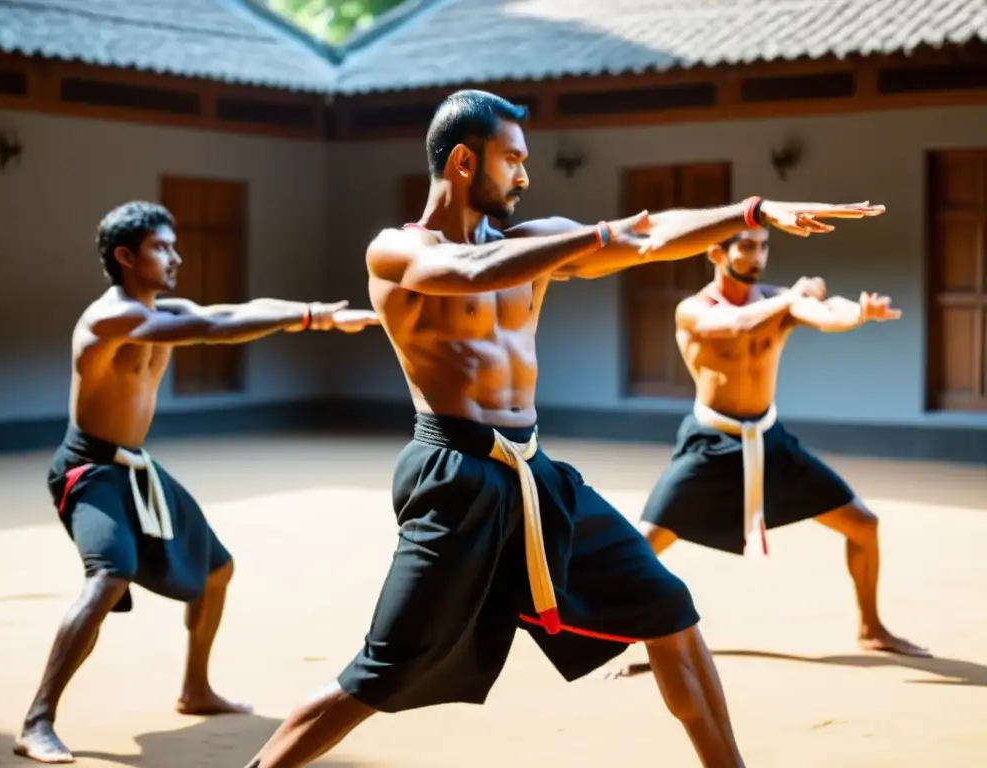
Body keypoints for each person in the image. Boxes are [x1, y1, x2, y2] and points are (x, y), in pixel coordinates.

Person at [243, 89, 886, 768]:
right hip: (455, 477)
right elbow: (468, 271)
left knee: (670, 610)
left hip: (535, 472)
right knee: (381, 672)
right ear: (464, 162)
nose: (524, 176)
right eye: (512, 160)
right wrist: (596, 236)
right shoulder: (398, 251)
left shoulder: (534, 240)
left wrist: (751, 210)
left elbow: (650, 238)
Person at [14, 201, 380, 764]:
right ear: (125, 256)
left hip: (133, 465)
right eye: (162, 247)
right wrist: (311, 316)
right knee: (109, 573)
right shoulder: (111, 318)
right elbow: (211, 328)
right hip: (88, 470)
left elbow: (230, 311)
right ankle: (37, 721)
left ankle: (196, 689)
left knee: (217, 569)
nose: (175, 256)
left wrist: (323, 316)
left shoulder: (161, 310)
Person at [607, 227, 926, 682]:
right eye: (747, 246)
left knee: (863, 525)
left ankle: (871, 627)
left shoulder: (780, 298)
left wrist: (856, 312)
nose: (758, 255)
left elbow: (823, 311)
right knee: (642, 545)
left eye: (764, 246)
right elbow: (738, 324)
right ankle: (616, 638)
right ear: (717, 253)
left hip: (769, 440)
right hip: (710, 443)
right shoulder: (694, 310)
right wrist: (793, 297)